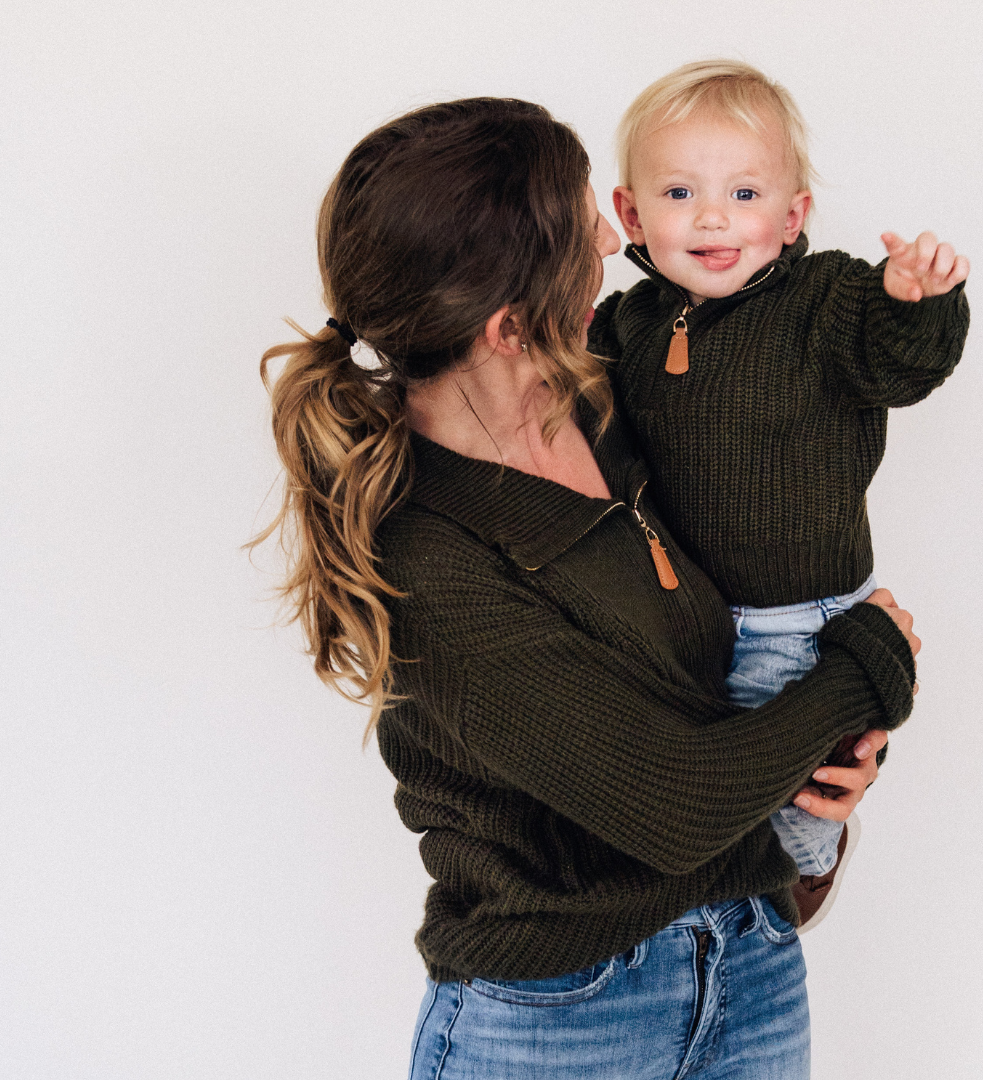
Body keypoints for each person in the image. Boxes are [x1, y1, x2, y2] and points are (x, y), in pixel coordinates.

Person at [256, 97, 920, 1080]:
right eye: (584, 226)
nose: (615, 239)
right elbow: (674, 806)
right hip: (560, 1024)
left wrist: (819, 785)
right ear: (509, 318)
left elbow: (726, 666)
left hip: (752, 967)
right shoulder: (425, 555)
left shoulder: (615, 397)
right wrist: (870, 666)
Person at [588, 59, 968, 886]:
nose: (714, 216)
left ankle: (804, 873)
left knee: (791, 797)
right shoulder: (628, 322)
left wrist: (915, 301)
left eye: (747, 195)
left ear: (794, 215)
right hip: (685, 610)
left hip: (798, 614)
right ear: (631, 213)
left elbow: (900, 363)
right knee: (700, 782)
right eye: (680, 194)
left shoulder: (827, 302)